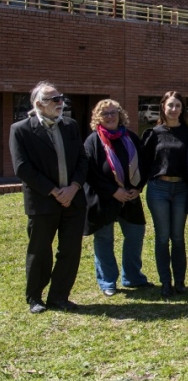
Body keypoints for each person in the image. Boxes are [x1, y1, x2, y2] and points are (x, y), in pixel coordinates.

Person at [10, 81, 88, 313]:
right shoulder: (21, 129)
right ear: (38, 104)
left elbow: (82, 160)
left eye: (61, 97)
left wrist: (73, 187)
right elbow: (22, 168)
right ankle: (35, 298)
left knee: (70, 251)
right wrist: (54, 191)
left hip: (73, 200)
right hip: (43, 201)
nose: (60, 102)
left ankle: (59, 297)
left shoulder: (71, 126)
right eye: (54, 99)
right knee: (40, 251)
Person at [83, 99, 151, 297]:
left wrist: (138, 188)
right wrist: (113, 191)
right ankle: (107, 281)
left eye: (114, 112)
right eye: (105, 113)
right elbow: (90, 173)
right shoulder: (93, 141)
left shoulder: (130, 137)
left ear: (120, 115)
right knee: (104, 239)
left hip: (130, 197)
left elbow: (144, 164)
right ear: (98, 117)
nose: (110, 116)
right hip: (103, 199)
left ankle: (132, 277)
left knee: (135, 234)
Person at [142, 91, 188, 298]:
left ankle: (180, 281)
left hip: (181, 188)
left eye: (178, 106)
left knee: (178, 237)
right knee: (163, 237)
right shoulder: (153, 134)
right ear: (163, 107)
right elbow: (144, 163)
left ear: (182, 109)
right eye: (170, 105)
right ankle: (165, 282)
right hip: (159, 189)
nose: (174, 109)